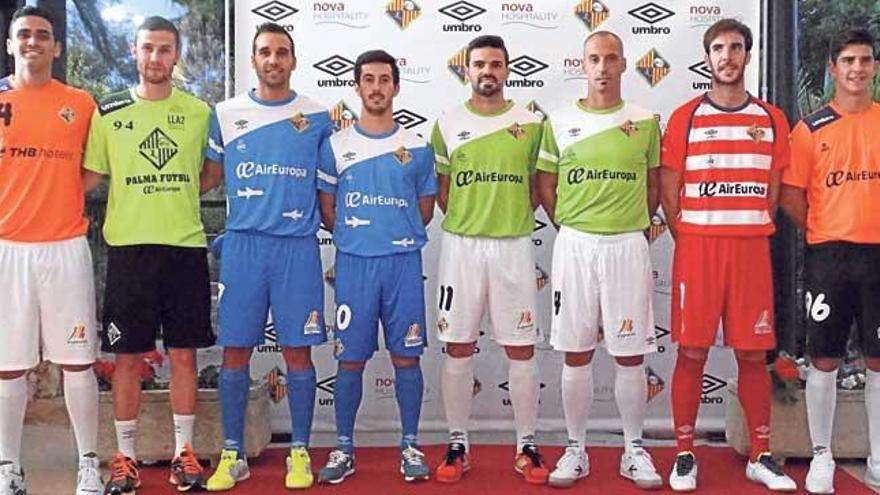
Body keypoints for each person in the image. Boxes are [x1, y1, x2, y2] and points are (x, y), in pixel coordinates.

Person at [660, 18, 796, 492]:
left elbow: (774, 190)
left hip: (750, 250)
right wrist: (694, 235)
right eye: (718, 48)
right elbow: (669, 192)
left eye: (736, 48)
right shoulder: (685, 118)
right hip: (699, 249)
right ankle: (683, 453)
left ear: (747, 55)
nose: (727, 57)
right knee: (692, 350)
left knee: (753, 355)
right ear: (707, 57)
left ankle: (760, 453)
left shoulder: (771, 119)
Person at [82, 16, 214, 494]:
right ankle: (126, 458)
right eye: (147, 49)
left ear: (176, 55)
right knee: (127, 358)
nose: (155, 58)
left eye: (164, 49)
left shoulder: (199, 112)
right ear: (133, 55)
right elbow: (89, 177)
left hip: (183, 248)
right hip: (129, 251)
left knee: (183, 354)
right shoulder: (110, 113)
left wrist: (175, 200)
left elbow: (210, 173)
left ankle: (184, 454)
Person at [200, 23, 332, 491]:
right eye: (264, 52)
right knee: (235, 352)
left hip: (296, 248)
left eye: (281, 52)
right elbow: (207, 178)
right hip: (244, 246)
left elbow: (331, 189)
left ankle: (299, 450)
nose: (273, 60)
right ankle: (232, 452)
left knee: (297, 352)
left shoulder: (318, 117)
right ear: (252, 60)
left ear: (293, 60)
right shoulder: (226, 112)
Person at [536, 31, 662, 490]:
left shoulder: (645, 121)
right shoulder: (560, 120)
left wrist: (630, 222)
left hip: (627, 244)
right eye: (594, 59)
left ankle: (633, 449)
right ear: (582, 64)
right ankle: (576, 449)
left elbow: (652, 187)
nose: (603, 67)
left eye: (611, 59)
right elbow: (545, 184)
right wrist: (569, 223)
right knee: (576, 350)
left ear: (625, 64)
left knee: (630, 355)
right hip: (575, 245)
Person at [431, 35, 549, 485]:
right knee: (459, 344)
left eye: (496, 64)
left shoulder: (531, 122)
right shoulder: (447, 123)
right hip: (462, 247)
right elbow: (443, 189)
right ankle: (458, 442)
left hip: (513, 246)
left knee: (520, 346)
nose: (488, 72)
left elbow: (539, 187)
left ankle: (527, 445)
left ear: (507, 70)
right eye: (479, 64)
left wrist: (506, 217)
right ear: (467, 69)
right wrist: (470, 218)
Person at [315, 49, 436, 485]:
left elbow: (424, 209)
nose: (377, 87)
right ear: (357, 87)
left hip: (402, 265)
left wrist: (391, 235)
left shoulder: (418, 146)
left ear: (396, 86)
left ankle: (410, 444)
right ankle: (344, 447)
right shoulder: (335, 145)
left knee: (407, 358)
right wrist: (360, 237)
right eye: (368, 79)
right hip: (355, 266)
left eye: (385, 79)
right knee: (350, 361)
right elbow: (328, 210)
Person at [0, 6, 101, 495]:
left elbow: (97, 168)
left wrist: (62, 194)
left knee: (77, 362)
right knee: (8, 365)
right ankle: (8, 468)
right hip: (8, 250)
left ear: (57, 48)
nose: (33, 42)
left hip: (65, 246)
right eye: (24, 35)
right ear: (10, 43)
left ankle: (88, 464)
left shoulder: (81, 103)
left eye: (43, 35)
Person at [780, 29, 880, 494]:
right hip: (829, 256)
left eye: (865, 60)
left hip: (878, 256)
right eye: (848, 61)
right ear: (833, 69)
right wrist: (827, 227)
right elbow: (792, 197)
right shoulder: (810, 129)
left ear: (874, 67)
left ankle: (878, 456)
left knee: (879, 360)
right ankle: (822, 455)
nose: (857, 69)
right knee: (823, 357)